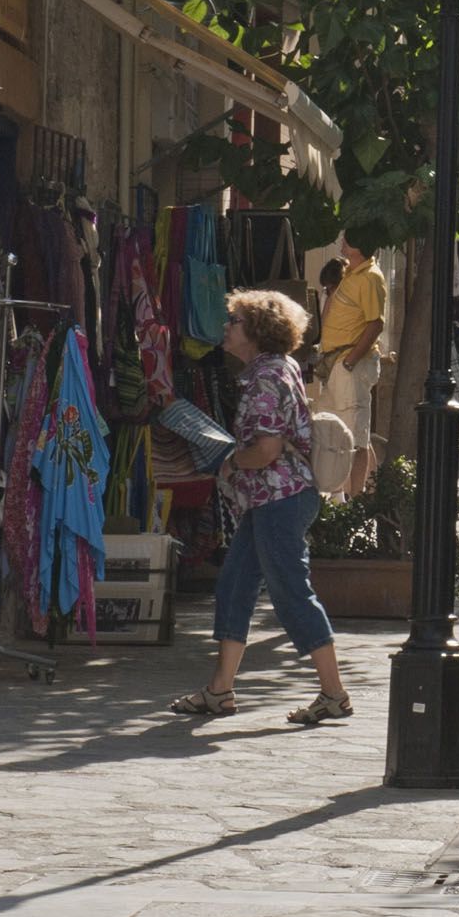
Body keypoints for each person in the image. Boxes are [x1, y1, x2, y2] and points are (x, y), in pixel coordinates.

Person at [174, 290, 350, 725]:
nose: (226, 327)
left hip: (279, 498)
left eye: (233, 320)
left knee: (291, 593)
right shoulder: (278, 368)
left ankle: (334, 693)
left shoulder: (264, 378)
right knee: (235, 586)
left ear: (255, 330)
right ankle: (220, 689)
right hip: (271, 499)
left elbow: (268, 449)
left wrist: (232, 462)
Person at [313, 236, 385, 494]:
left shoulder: (370, 277)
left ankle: (353, 501)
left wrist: (351, 360)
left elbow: (376, 323)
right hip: (336, 362)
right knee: (334, 433)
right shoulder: (352, 275)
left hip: (348, 363)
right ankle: (338, 497)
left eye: (349, 238)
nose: (342, 241)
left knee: (354, 436)